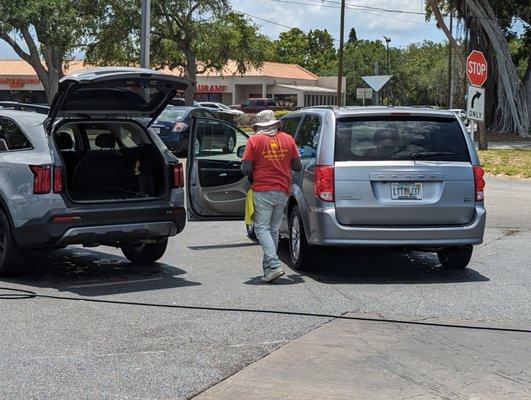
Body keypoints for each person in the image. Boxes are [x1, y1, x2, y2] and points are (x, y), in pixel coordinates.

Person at [241, 110, 302, 283]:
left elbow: (245, 168)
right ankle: (268, 270)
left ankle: (274, 265)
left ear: (259, 126)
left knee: (261, 228)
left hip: (262, 189)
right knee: (273, 230)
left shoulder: (254, 140)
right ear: (275, 124)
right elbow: (297, 166)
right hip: (283, 190)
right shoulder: (288, 139)